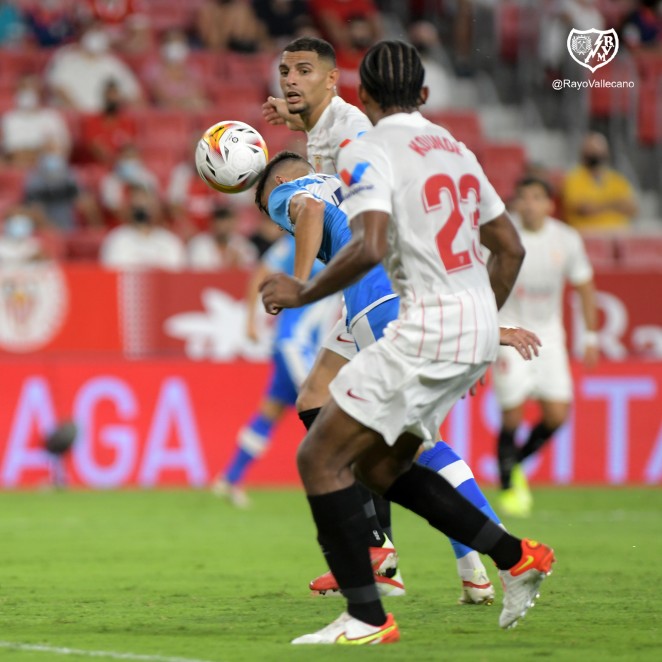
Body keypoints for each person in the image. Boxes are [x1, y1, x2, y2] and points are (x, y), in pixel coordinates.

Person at [259, 40, 555, 644]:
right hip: (461, 317)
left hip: (413, 317)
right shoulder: (455, 148)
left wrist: (304, 290)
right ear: (423, 94)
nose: (291, 81)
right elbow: (510, 248)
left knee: (321, 457)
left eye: (303, 72)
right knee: (381, 463)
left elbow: (368, 244)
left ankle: (368, 616)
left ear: (360, 92)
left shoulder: (366, 147)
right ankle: (513, 557)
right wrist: (482, 328)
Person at [494, 177, 599, 517]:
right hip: (509, 332)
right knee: (512, 414)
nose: (529, 205)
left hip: (549, 338)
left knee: (557, 415)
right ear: (515, 203)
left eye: (537, 198)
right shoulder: (502, 233)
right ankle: (508, 488)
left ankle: (513, 464)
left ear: (550, 204)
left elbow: (584, 286)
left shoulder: (566, 239)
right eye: (523, 198)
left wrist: (591, 336)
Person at [212, 233, 336, 507]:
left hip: (304, 346)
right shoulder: (298, 242)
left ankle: (230, 478)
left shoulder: (338, 240)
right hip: (295, 345)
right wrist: (250, 320)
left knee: (271, 411)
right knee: (329, 410)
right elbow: (261, 272)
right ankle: (339, 483)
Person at [46, 22, 144, 112]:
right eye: (92, 32)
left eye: (99, 33)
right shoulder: (66, 57)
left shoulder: (112, 63)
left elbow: (133, 93)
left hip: (103, 118)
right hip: (74, 115)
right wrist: (80, 112)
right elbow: (58, 87)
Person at [561, 132, 638, 232]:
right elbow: (583, 209)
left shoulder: (617, 179)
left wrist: (598, 205)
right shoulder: (574, 178)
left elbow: (632, 209)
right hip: (586, 234)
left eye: (598, 150)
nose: (595, 154)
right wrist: (615, 204)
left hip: (618, 234)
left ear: (606, 152)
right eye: (591, 150)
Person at [100, 184, 186, 270]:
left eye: (147, 205)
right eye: (138, 206)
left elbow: (177, 274)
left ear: (157, 207)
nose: (143, 210)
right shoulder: (117, 240)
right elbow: (111, 274)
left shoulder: (170, 241)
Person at [1, 75, 71, 168]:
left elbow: (61, 150)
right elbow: (8, 152)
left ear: (40, 93)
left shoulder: (51, 117)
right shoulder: (8, 119)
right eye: (24, 88)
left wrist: (36, 153)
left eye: (32, 89)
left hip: (44, 167)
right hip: (15, 164)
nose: (27, 93)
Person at [187, 205, 259, 270]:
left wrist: (237, 263)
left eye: (227, 221)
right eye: (220, 220)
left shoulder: (243, 245)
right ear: (212, 223)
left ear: (233, 223)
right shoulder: (199, 244)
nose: (223, 226)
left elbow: (251, 270)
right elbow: (196, 270)